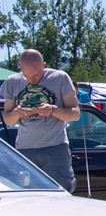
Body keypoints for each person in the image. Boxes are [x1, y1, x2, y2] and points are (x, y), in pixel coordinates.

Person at [0, 49, 80, 191]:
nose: (31, 80)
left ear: (44, 65)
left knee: (61, 191)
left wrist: (52, 110)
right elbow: (7, 119)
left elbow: (75, 114)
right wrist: (17, 113)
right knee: (28, 196)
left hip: (55, 147)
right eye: (26, 75)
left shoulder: (60, 78)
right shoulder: (12, 81)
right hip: (24, 149)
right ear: (20, 67)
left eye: (36, 75)